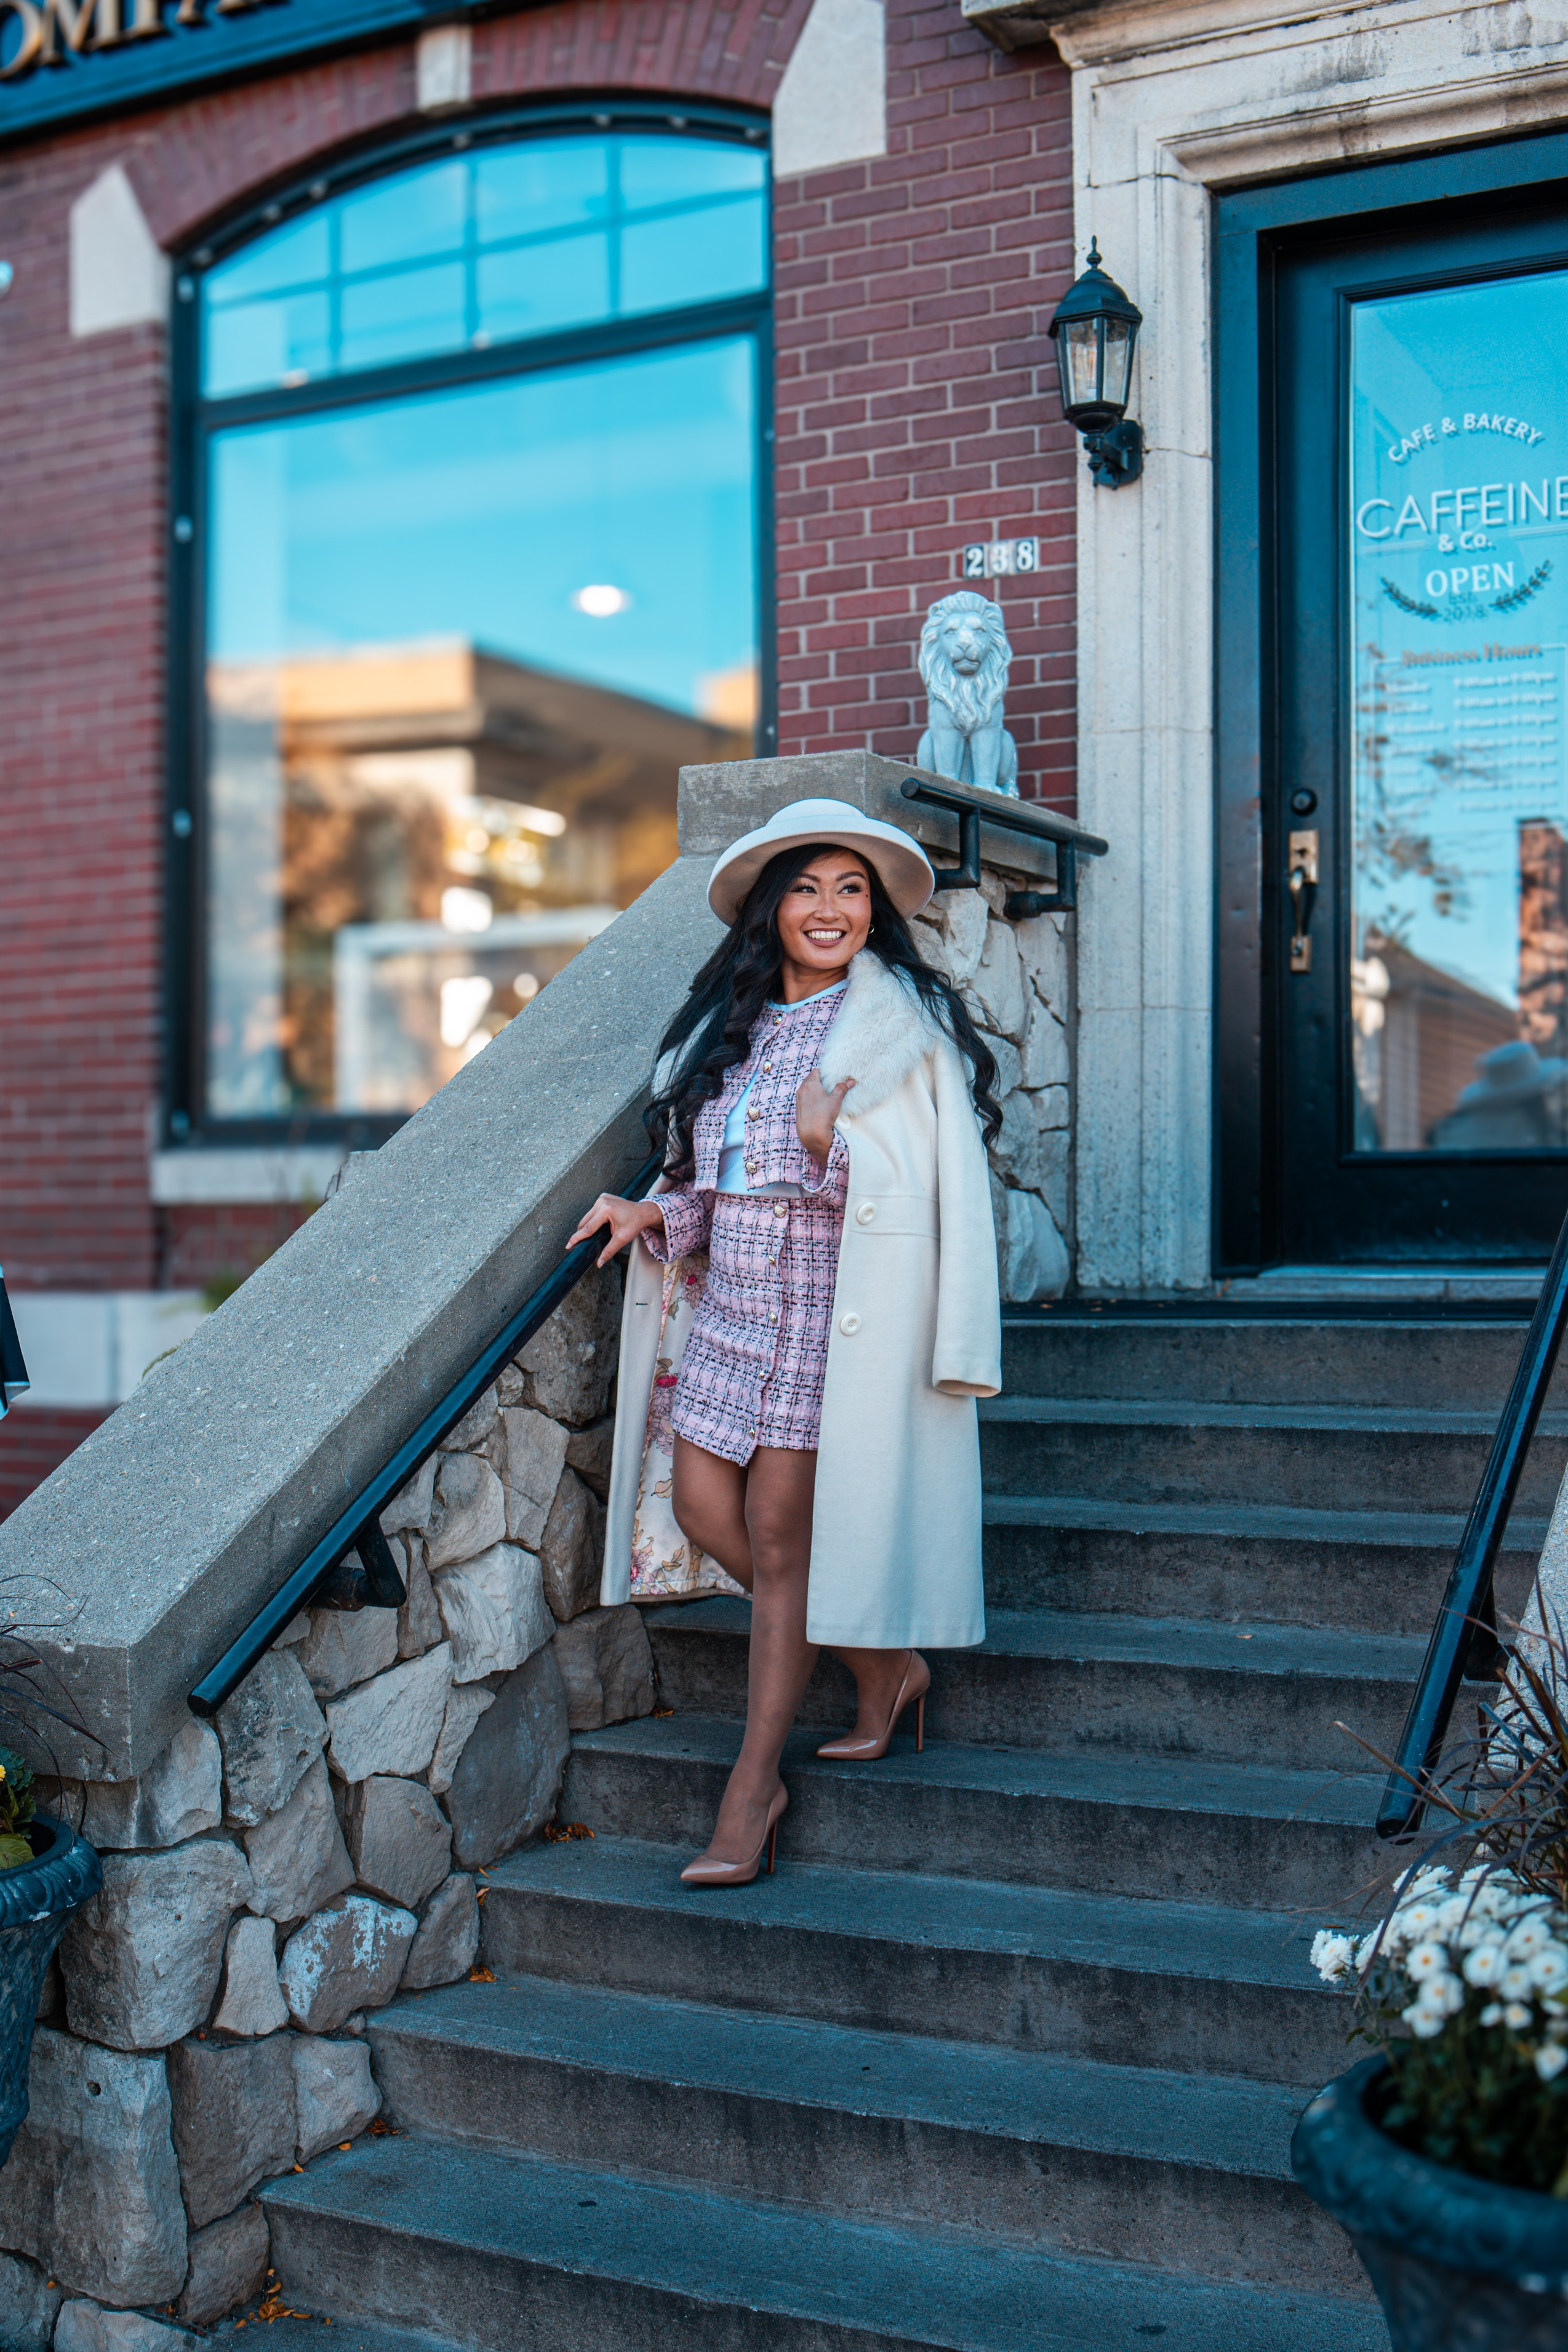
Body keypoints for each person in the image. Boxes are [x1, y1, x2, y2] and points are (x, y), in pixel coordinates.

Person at [569, 797, 1003, 1886]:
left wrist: (833, 1145)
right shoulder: (737, 1034)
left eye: (850, 891)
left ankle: (751, 1790)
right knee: (701, 1508)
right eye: (808, 889)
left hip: (828, 1318)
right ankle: (882, 1663)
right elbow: (717, 1179)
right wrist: (654, 1212)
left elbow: (928, 1195)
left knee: (775, 1536)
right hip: (731, 1317)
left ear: (873, 916)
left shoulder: (898, 1034)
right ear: (771, 911)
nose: (829, 909)